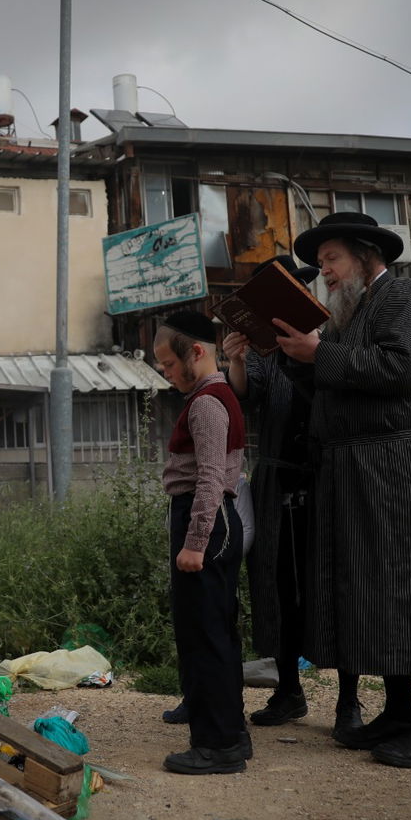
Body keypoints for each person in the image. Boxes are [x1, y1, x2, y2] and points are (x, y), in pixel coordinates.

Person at [274, 212, 411, 769]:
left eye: (331, 258)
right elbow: (336, 383)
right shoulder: (346, 315)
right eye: (323, 262)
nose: (323, 270)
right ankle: (400, 710)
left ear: (365, 254)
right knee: (375, 595)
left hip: (399, 467)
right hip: (356, 469)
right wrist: (298, 356)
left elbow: (398, 370)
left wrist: (319, 353)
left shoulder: (406, 300)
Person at [222, 255, 363, 739]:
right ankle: (288, 691)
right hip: (275, 478)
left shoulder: (334, 340)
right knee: (275, 584)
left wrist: (312, 353)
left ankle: (349, 700)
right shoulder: (264, 349)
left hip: (325, 476)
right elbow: (248, 396)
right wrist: (236, 360)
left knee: (333, 581)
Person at [154, 311, 251, 775]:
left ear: (196, 352)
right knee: (213, 632)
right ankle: (230, 731)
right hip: (211, 522)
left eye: (169, 364)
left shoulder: (208, 401)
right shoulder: (212, 395)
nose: (166, 372)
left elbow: (211, 478)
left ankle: (218, 746)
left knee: (208, 634)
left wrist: (195, 541)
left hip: (206, 522)